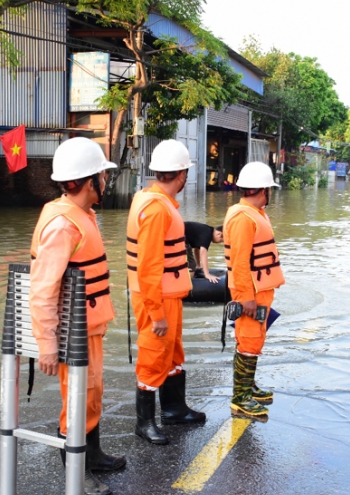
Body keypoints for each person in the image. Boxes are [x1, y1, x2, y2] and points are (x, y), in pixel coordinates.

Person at [29, 137, 125, 495]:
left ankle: (93, 454)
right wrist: (47, 344)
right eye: (102, 173)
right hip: (72, 333)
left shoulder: (83, 215)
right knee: (77, 401)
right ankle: (77, 476)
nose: (106, 179)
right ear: (89, 181)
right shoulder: (62, 225)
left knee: (92, 394)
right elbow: (43, 288)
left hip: (89, 326)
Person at [126, 139, 205, 446]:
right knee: (153, 354)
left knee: (171, 353)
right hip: (156, 298)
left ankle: (174, 409)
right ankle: (144, 423)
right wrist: (156, 312)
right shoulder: (157, 210)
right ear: (182, 174)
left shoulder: (150, 199)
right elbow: (147, 267)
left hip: (166, 295)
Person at [223, 161, 285, 419]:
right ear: (263, 189)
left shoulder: (255, 213)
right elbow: (239, 262)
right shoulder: (243, 218)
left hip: (261, 288)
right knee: (248, 341)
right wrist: (246, 297)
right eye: (269, 189)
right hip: (251, 292)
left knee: (255, 339)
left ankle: (248, 387)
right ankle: (241, 398)